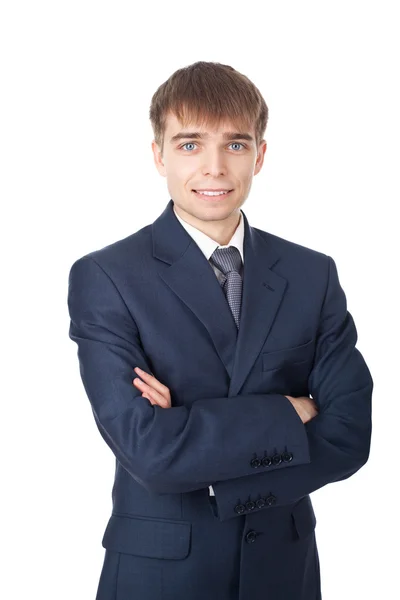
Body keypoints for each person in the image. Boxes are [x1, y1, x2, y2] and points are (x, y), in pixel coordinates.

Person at [67, 61, 373, 600]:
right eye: (189, 145)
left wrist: (190, 430)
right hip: (160, 575)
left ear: (260, 154)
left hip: (284, 570)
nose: (214, 168)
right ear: (158, 153)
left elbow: (349, 433)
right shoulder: (107, 277)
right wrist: (289, 412)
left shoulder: (311, 273)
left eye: (234, 145)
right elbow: (149, 453)